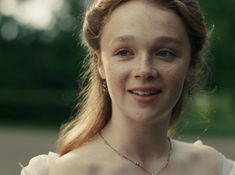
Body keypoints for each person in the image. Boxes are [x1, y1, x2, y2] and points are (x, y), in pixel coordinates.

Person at [21, 0, 235, 174]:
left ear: (192, 66)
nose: (144, 70)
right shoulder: (58, 172)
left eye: (165, 53)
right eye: (124, 52)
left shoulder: (217, 169)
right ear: (100, 65)